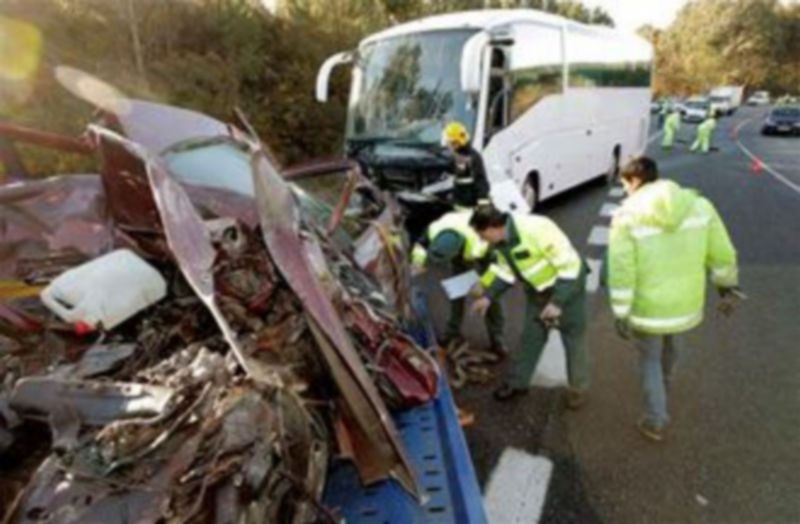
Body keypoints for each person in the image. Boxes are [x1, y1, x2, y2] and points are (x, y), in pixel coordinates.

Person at [608, 156, 740, 442]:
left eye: (624, 184)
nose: (625, 190)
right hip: (685, 304)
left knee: (649, 360)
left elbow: (621, 269)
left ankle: (655, 418)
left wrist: (620, 311)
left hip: (647, 308)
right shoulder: (701, 207)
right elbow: (721, 252)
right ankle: (663, 387)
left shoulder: (627, 216)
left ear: (635, 181)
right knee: (672, 348)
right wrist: (726, 286)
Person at [468, 204, 589, 407]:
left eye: (482, 235)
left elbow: (571, 268)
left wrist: (557, 302)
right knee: (531, 338)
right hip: (537, 293)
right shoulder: (501, 242)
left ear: (493, 227)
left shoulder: (538, 229)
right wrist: (487, 297)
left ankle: (578, 389)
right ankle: (518, 383)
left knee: (573, 340)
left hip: (567, 291)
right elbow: (505, 272)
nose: (482, 240)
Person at [411, 209, 506, 359]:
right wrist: (417, 261)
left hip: (483, 257)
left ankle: (498, 340)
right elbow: (421, 246)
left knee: (490, 298)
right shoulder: (435, 229)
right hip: (462, 254)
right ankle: (452, 333)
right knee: (456, 291)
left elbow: (496, 266)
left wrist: (483, 284)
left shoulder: (481, 241)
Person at [441, 121, 490, 208]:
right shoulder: (456, 155)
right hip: (459, 201)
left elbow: (481, 181)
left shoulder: (473, 157)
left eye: (449, 142)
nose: (448, 145)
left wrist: (483, 204)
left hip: (469, 203)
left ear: (456, 142)